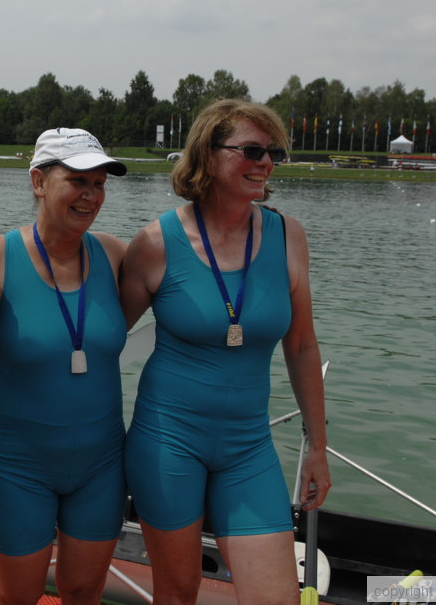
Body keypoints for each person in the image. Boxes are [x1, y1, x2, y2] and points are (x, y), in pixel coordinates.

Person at [120, 99, 331, 605]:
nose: (265, 163)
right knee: (178, 593)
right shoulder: (155, 243)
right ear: (208, 155)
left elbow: (301, 345)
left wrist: (318, 448)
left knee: (275, 598)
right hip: (166, 442)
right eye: (252, 150)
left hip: (248, 448)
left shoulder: (288, 236)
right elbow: (105, 341)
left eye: (273, 152)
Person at [0, 128, 129, 605]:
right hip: (20, 465)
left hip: (100, 465)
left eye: (99, 183)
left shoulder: (115, 255)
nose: (91, 195)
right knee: (19, 598)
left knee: (84, 593)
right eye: (78, 181)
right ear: (38, 181)